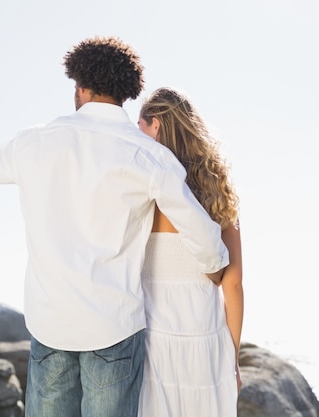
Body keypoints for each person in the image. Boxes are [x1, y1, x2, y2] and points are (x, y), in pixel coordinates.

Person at [0, 37, 229, 417]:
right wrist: (215, 265)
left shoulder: (35, 142)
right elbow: (203, 236)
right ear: (126, 92)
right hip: (115, 329)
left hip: (51, 325)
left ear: (81, 87)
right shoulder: (149, 157)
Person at [137, 86, 243, 417]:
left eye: (140, 129)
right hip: (206, 338)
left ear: (155, 125)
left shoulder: (141, 188)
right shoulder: (217, 189)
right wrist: (233, 356)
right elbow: (234, 284)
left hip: (153, 339)